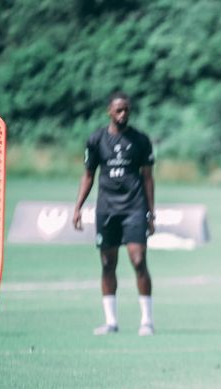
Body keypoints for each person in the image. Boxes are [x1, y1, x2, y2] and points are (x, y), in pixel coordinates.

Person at [73, 91, 156, 336]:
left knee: (138, 260)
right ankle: (111, 322)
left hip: (134, 206)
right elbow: (88, 175)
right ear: (109, 111)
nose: (123, 114)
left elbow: (148, 178)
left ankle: (147, 321)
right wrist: (78, 207)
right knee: (108, 263)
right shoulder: (96, 140)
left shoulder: (140, 140)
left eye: (126, 110)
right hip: (107, 208)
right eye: (118, 110)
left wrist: (151, 212)